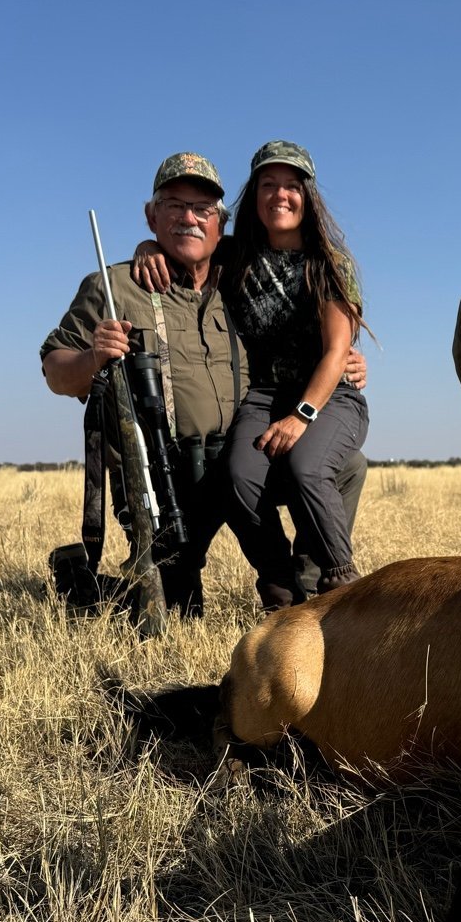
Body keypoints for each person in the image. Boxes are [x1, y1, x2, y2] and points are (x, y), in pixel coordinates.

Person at [40, 152, 366, 615]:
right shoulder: (114, 287)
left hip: (236, 456)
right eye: (174, 206)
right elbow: (55, 369)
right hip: (166, 478)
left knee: (348, 464)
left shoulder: (237, 272)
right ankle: (82, 582)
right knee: (171, 604)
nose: (188, 219)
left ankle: (299, 589)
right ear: (151, 215)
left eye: (202, 210)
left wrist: (343, 362)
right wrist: (94, 356)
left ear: (221, 224)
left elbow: (307, 312)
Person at [136, 140, 369, 604]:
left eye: (291, 185)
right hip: (265, 395)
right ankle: (282, 594)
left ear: (308, 196)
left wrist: (301, 415)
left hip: (330, 395)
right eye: (268, 184)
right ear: (253, 194)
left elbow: (337, 352)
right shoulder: (235, 254)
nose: (279, 195)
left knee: (306, 468)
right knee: (239, 474)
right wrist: (147, 246)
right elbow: (188, 244)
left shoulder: (330, 263)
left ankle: (344, 587)